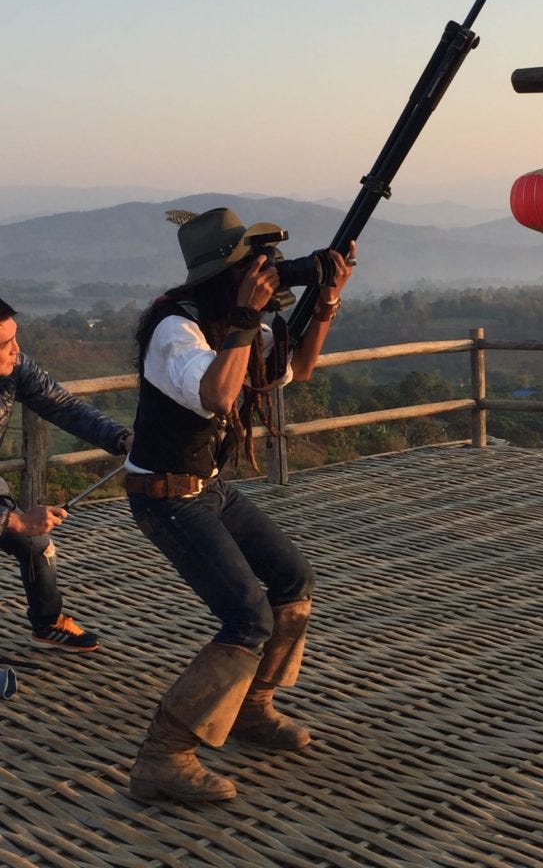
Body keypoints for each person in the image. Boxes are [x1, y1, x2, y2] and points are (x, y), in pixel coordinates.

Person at [125, 207, 355, 804]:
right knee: (247, 617)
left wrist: (325, 300)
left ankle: (252, 708)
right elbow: (217, 394)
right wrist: (249, 317)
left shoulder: (232, 322)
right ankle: (163, 757)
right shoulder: (177, 329)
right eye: (256, 265)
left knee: (292, 577)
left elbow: (296, 367)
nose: (269, 272)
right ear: (224, 276)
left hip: (208, 486)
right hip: (165, 495)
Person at [0, 297, 133, 653]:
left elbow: (62, 405)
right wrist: (12, 521)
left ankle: (48, 623)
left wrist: (122, 439)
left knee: (35, 544)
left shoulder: (14, 368)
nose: (16, 350)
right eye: (4, 344)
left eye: (15, 338)